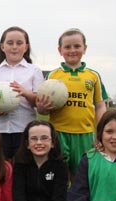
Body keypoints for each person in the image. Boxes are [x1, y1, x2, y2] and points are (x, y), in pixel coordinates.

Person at [36, 28, 108, 181]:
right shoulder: (53, 75)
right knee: (57, 176)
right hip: (58, 133)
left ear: (85, 48)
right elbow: (41, 109)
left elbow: (100, 106)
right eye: (67, 47)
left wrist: (101, 132)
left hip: (85, 134)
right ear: (60, 50)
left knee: (81, 176)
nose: (72, 50)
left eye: (77, 46)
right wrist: (42, 107)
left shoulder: (93, 76)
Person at [0, 26, 44, 161]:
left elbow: (39, 102)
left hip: (25, 129)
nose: (14, 47)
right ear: (2, 47)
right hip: (0, 129)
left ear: (26, 47)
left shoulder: (34, 71)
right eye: (10, 43)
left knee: (22, 169)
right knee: (1, 170)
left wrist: (25, 93)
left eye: (19, 43)